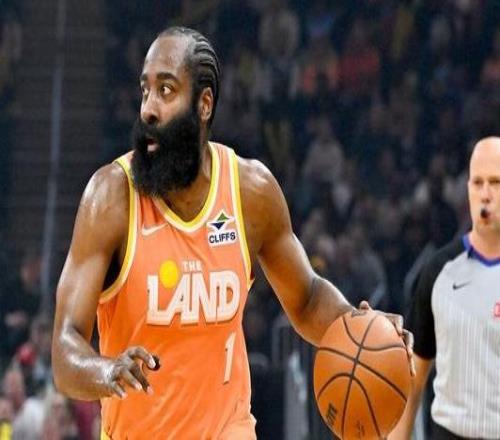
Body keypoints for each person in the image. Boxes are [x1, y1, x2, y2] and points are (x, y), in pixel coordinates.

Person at [51, 27, 413, 439]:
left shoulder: (250, 191)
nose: (148, 109)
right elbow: (65, 346)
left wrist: (363, 327)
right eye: (145, 90)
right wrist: (105, 370)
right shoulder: (110, 198)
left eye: (166, 91)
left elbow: (308, 298)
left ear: (204, 104)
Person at [391, 137, 500, 439]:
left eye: (495, 182)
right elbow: (413, 379)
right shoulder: (437, 272)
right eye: (477, 183)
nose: (486, 194)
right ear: (467, 190)